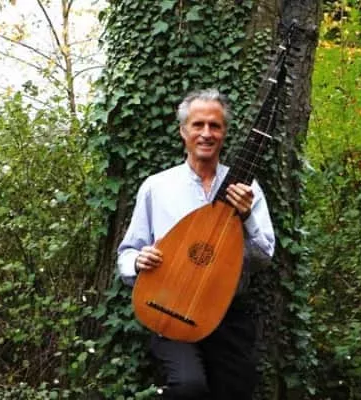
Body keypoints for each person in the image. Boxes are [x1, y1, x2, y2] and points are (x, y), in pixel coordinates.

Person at [116, 89, 275, 399]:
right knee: (189, 387)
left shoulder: (247, 189)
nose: (206, 133)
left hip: (226, 314)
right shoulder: (157, 187)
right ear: (183, 131)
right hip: (170, 310)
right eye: (198, 124)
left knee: (236, 391)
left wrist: (246, 217)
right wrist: (137, 261)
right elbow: (127, 253)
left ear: (224, 132)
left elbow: (263, 257)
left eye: (215, 126)